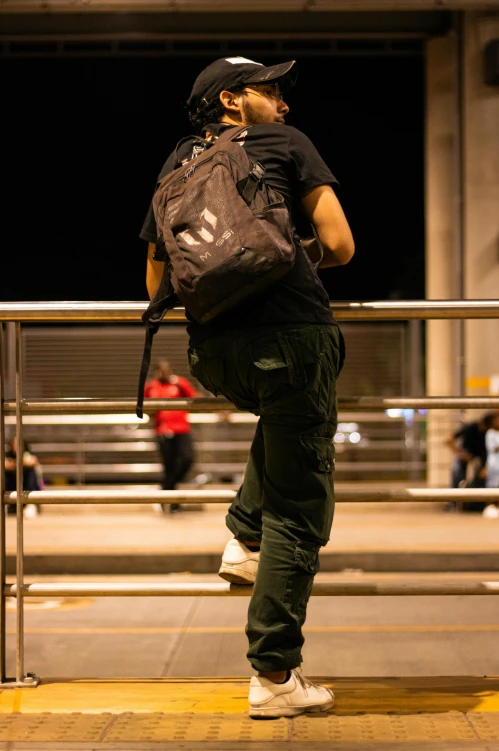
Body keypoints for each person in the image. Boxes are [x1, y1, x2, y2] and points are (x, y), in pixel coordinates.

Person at [140, 57, 354, 717]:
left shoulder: (177, 161)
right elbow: (341, 244)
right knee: (299, 507)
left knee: (282, 430)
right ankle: (274, 674)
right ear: (231, 99)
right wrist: (287, 255)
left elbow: (155, 286)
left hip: (214, 354)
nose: (284, 104)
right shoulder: (287, 146)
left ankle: (241, 533)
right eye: (271, 90)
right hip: (291, 337)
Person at [144, 360, 198, 514]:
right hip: (163, 431)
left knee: (187, 459)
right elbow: (146, 407)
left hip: (181, 429)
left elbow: (195, 398)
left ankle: (164, 491)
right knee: (169, 466)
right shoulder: (151, 386)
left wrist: (179, 384)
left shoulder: (179, 383)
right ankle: (173, 504)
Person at [444, 414, 489, 510]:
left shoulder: (488, 433)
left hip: (479, 458)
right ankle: (453, 501)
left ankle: (475, 501)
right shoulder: (470, 427)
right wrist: (460, 453)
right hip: (465, 455)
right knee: (456, 471)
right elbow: (448, 440)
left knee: (480, 475)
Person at [4, 437, 43, 518]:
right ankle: (5, 503)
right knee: (5, 474)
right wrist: (20, 464)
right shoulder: (8, 455)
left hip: (26, 487)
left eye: (19, 444)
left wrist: (14, 464)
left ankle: (31, 503)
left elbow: (32, 461)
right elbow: (5, 465)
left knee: (31, 471)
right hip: (13, 487)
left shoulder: (27, 454)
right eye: (15, 444)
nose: (16, 446)